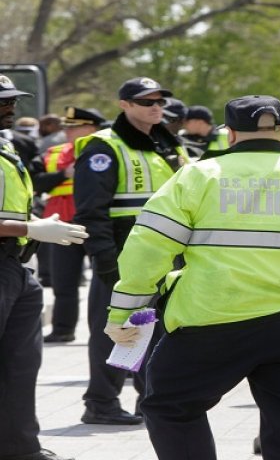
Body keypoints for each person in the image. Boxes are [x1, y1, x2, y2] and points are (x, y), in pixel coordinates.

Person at [103, 94, 280, 460]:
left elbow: (147, 249)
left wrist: (122, 314)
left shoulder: (198, 175)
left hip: (208, 321)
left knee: (169, 406)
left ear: (229, 135)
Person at [73, 76, 188, 425]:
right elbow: (91, 211)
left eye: (159, 101)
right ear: (124, 105)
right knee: (115, 330)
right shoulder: (104, 147)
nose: (156, 107)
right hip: (123, 255)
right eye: (145, 101)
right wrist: (105, 261)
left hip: (166, 256)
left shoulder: (169, 144)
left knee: (158, 331)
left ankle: (148, 399)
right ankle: (101, 403)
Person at [0, 74, 88, 460]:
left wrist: (33, 229)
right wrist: (32, 227)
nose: (10, 107)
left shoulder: (8, 148)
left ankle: (19, 448)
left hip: (15, 265)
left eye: (11, 100)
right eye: (2, 101)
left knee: (21, 366)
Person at [42, 107, 108, 343]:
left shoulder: (106, 150)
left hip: (96, 224)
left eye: (74, 127)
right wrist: (63, 174)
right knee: (63, 280)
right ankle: (63, 329)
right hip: (62, 224)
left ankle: (104, 334)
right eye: (67, 127)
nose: (68, 131)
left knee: (105, 283)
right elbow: (36, 181)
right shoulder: (54, 153)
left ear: (92, 128)